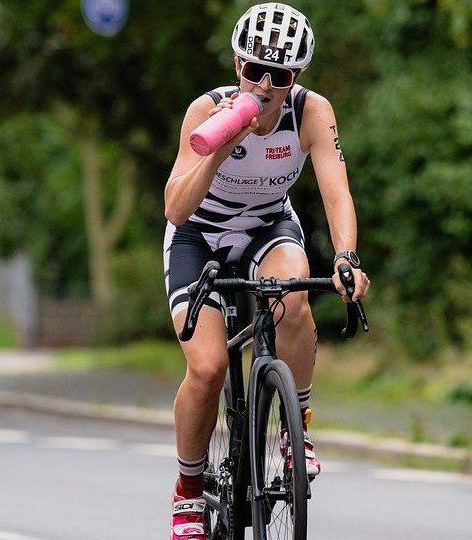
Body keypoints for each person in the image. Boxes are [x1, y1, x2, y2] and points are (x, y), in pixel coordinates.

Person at [162, 4, 369, 538]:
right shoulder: (204, 111)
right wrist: (219, 147)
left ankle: (295, 431)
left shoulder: (312, 112)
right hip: (199, 234)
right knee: (207, 369)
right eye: (254, 70)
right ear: (237, 66)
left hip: (268, 225)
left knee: (294, 297)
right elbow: (176, 208)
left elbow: (336, 192)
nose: (265, 84)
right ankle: (187, 490)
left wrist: (346, 259)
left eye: (279, 76)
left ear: (295, 77)